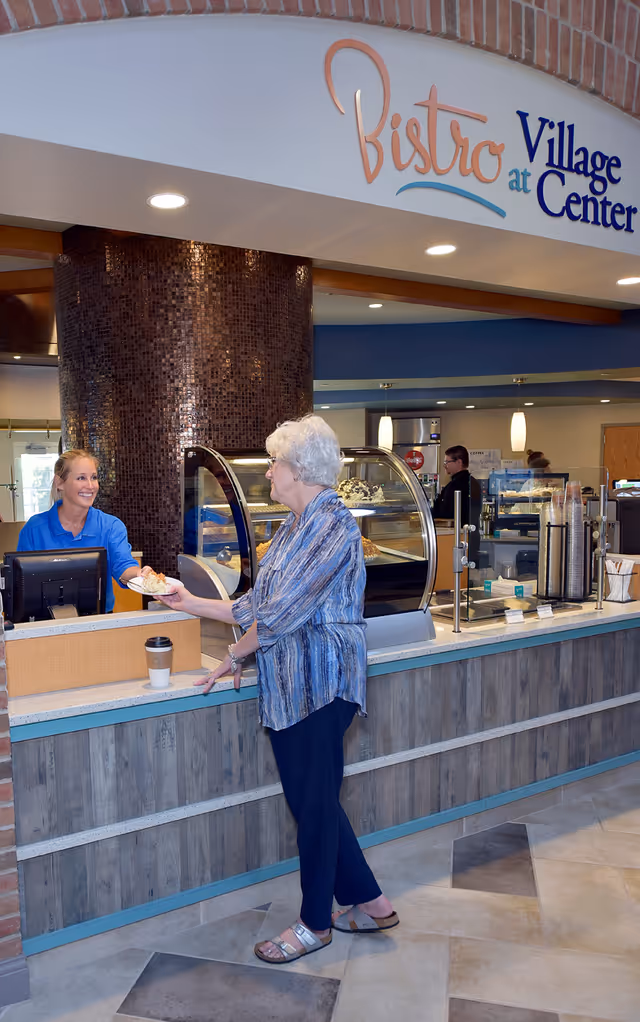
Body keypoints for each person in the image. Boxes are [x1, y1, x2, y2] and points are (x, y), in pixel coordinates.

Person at [157, 414, 398, 965]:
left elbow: (282, 614)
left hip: (320, 684)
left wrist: (233, 655)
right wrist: (187, 602)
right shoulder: (292, 526)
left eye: (276, 463)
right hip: (289, 685)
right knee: (312, 800)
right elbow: (253, 606)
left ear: (301, 469)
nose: (268, 473)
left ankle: (315, 924)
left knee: (312, 807)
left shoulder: (333, 525)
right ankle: (373, 902)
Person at [17, 449, 154, 612]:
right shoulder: (34, 529)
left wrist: (140, 575)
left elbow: (123, 566)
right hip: (44, 623)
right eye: (81, 477)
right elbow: (21, 584)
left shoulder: (111, 526)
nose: (90, 486)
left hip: (98, 621)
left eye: (94, 477)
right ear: (60, 482)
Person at [432, 444, 481, 528]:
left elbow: (446, 513)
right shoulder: (473, 482)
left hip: (456, 533)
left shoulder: (455, 485)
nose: (445, 465)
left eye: (447, 462)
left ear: (459, 462)